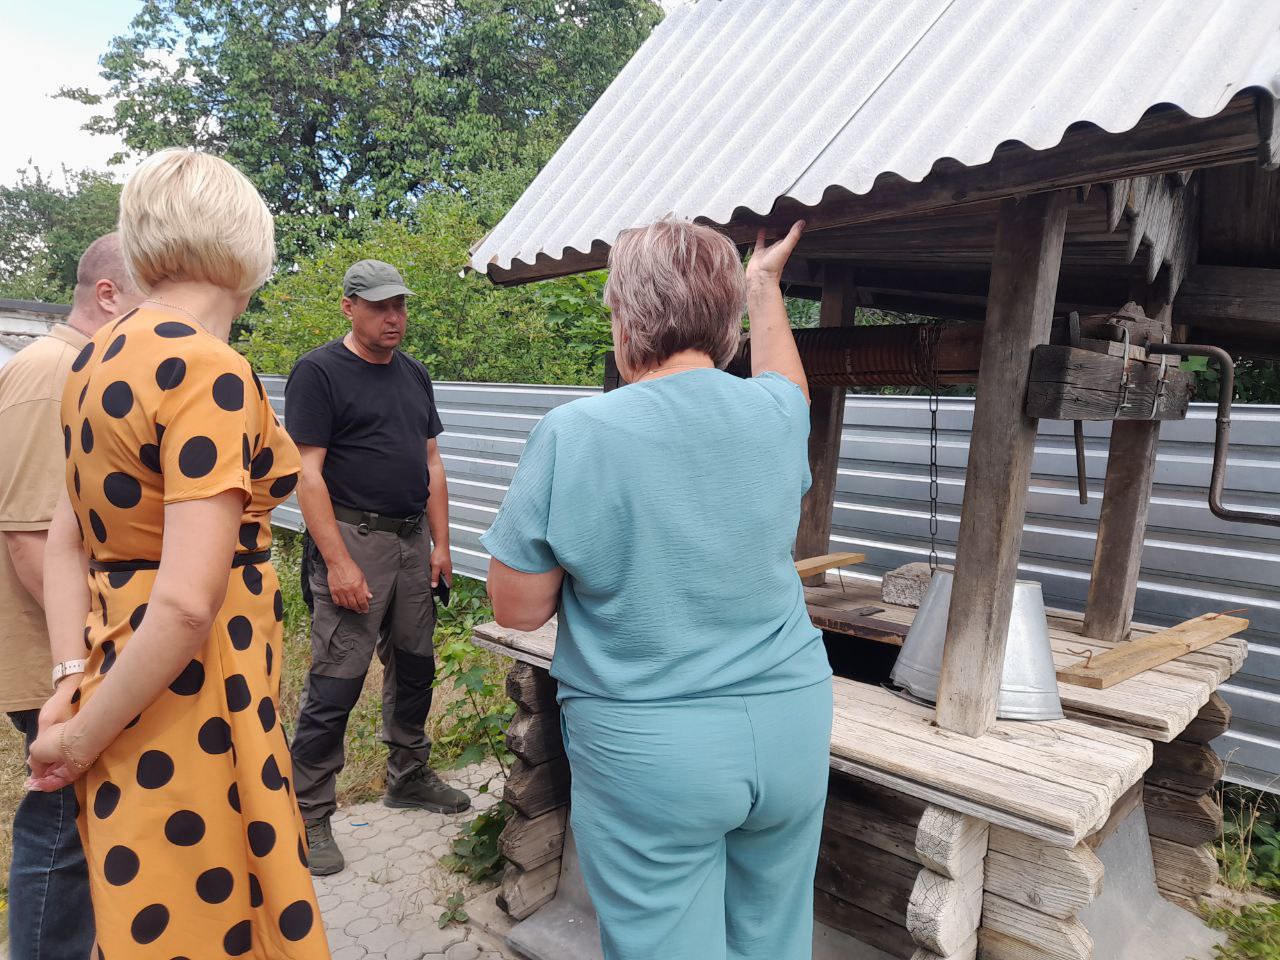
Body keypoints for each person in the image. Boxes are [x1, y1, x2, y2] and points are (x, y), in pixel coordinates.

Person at [482, 219, 831, 960]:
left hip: (653, 748)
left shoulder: (576, 433)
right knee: (773, 936)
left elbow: (516, 609)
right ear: (725, 318)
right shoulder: (775, 417)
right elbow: (786, 381)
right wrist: (764, 285)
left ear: (625, 316)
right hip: (793, 725)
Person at [25, 149, 330, 959]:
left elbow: (66, 544)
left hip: (115, 673)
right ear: (250, 246)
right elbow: (190, 602)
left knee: (150, 909)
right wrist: (80, 736)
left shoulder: (91, 361)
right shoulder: (209, 369)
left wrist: (70, 685)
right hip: (199, 693)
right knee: (217, 913)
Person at [284, 258, 468, 877]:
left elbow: (432, 462)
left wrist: (443, 547)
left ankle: (408, 774)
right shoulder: (319, 372)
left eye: (401, 306)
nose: (395, 317)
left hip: (414, 541)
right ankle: (308, 811)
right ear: (349, 307)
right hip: (353, 538)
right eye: (381, 306)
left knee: (416, 665)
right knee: (338, 679)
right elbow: (306, 474)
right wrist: (337, 562)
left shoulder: (413, 374)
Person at [0, 233, 140, 960]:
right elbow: (29, 536)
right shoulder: (50, 371)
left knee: (82, 829)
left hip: (74, 654)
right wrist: (78, 667)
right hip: (59, 658)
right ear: (108, 295)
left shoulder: (80, 369)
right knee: (59, 833)